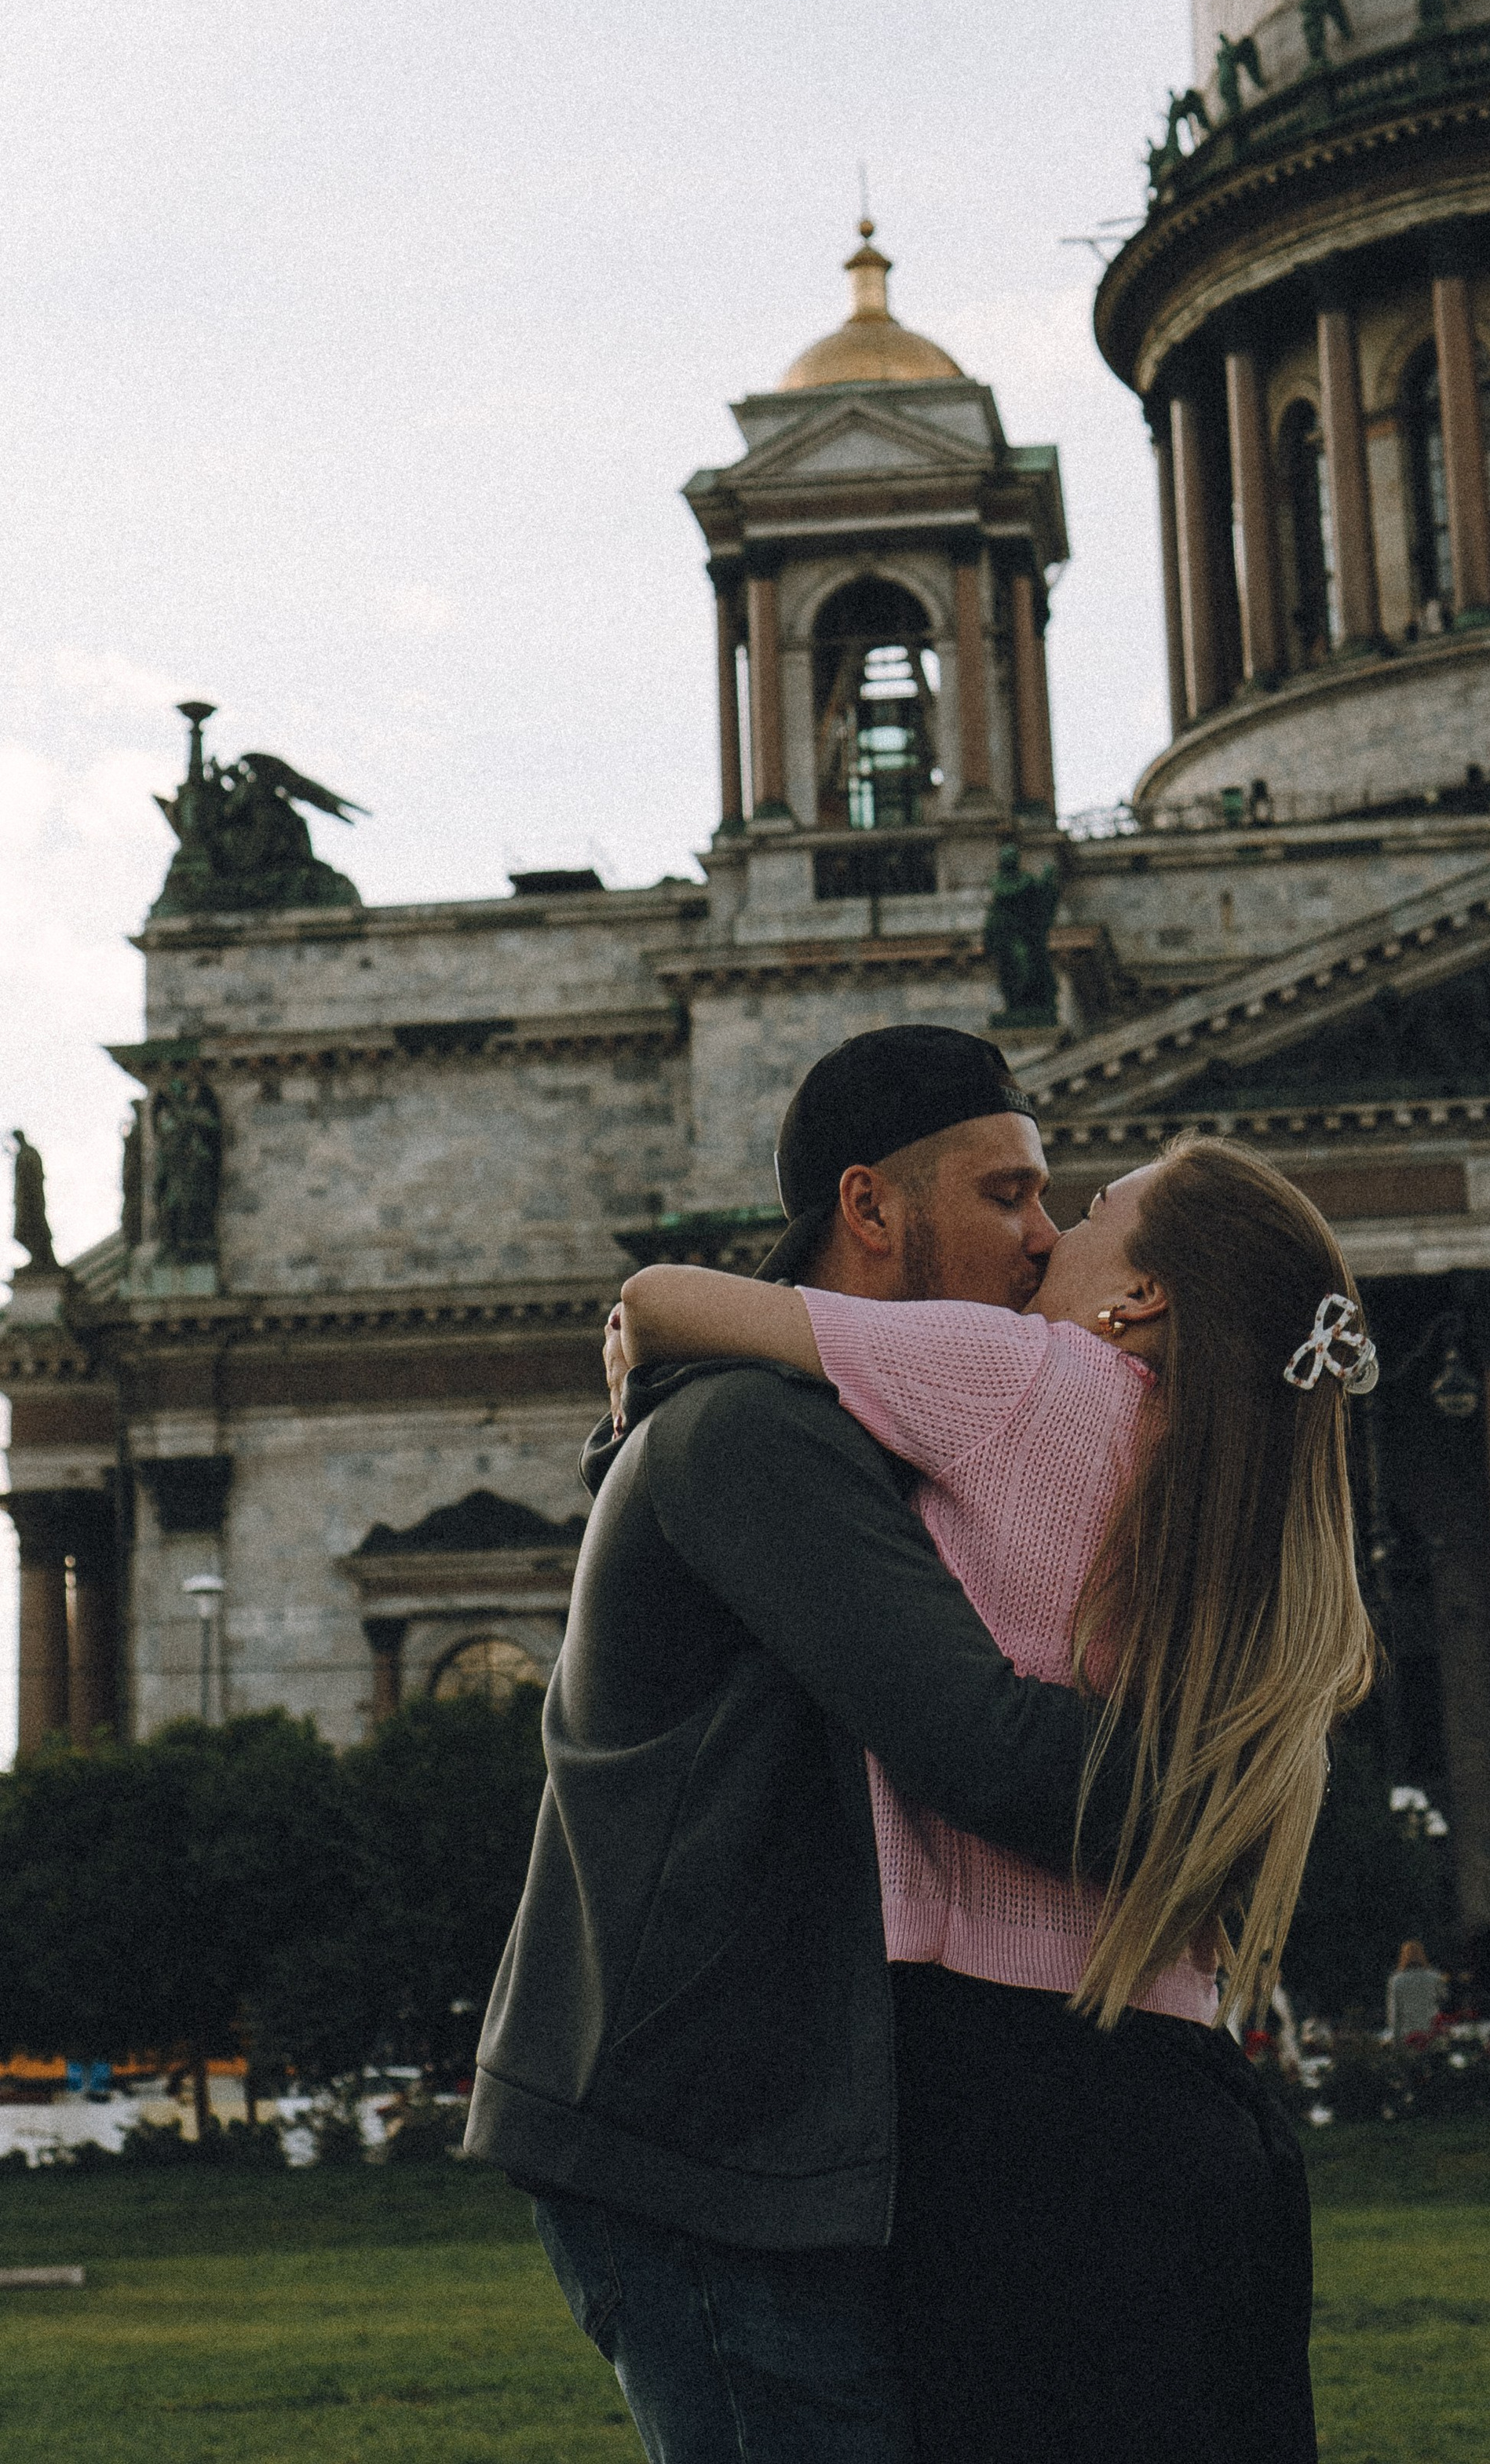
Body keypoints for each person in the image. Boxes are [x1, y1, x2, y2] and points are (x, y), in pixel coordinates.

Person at [616, 1127, 1379, 2464]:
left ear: (1137, 1301)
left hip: (1014, 2104)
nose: (1043, 1239)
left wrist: (635, 1339)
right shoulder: (1240, 1480)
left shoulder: (1030, 1376)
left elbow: (678, 1298)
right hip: (1203, 2109)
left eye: (1083, 1210)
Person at [466, 1026, 1170, 2464]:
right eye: (1008, 1195)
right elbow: (978, 1747)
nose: (1043, 1241)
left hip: (777, 2138)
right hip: (710, 2152)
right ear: (870, 1207)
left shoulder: (831, 1427)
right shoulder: (754, 1435)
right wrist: (1245, 1778)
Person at [1386, 1940, 1444, 2043]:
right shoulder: (1434, 1977)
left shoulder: (1396, 1980)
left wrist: (1395, 2036)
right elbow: (1443, 1998)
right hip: (1431, 2029)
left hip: (1407, 2032)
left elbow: (1394, 2010)